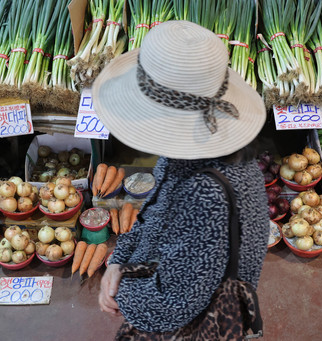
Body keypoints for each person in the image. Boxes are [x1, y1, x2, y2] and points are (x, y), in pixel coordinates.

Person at [93, 21, 269, 338]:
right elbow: (156, 214)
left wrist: (122, 294)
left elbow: (172, 305)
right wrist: (119, 262)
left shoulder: (205, 193)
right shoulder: (187, 158)